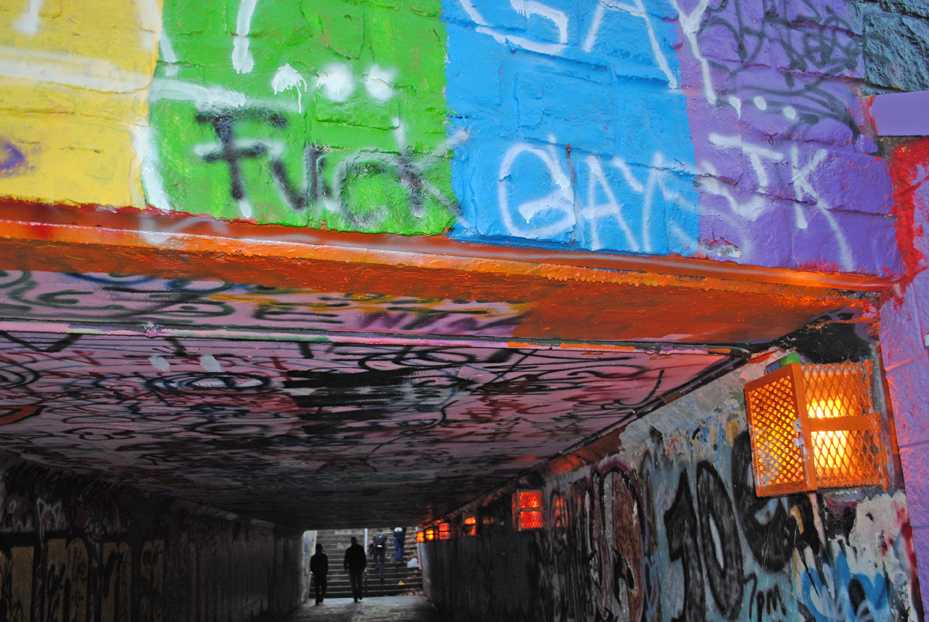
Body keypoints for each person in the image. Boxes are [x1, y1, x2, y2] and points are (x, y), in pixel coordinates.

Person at [344, 536, 367, 603]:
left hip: (353, 568)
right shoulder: (359, 548)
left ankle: (356, 596)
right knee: (358, 582)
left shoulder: (349, 549)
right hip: (357, 568)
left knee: (354, 583)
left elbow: (346, 559)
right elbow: (363, 558)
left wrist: (345, 566)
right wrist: (364, 566)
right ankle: (358, 595)